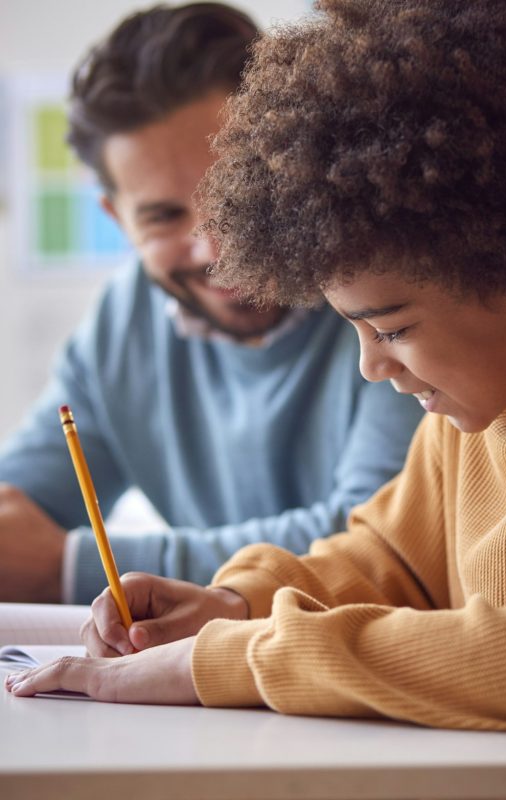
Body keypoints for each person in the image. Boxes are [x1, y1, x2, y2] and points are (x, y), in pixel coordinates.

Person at [8, 0, 506, 734]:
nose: (371, 365)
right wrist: (235, 603)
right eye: (357, 330)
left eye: (391, 328)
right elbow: (388, 558)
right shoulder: (475, 416)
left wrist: (227, 661)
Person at [0, 2, 423, 605]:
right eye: (164, 216)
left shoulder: (389, 288)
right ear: (118, 220)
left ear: (293, 155)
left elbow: (386, 544)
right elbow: (16, 511)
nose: (216, 248)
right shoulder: (122, 324)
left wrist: (77, 568)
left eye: (234, 193)